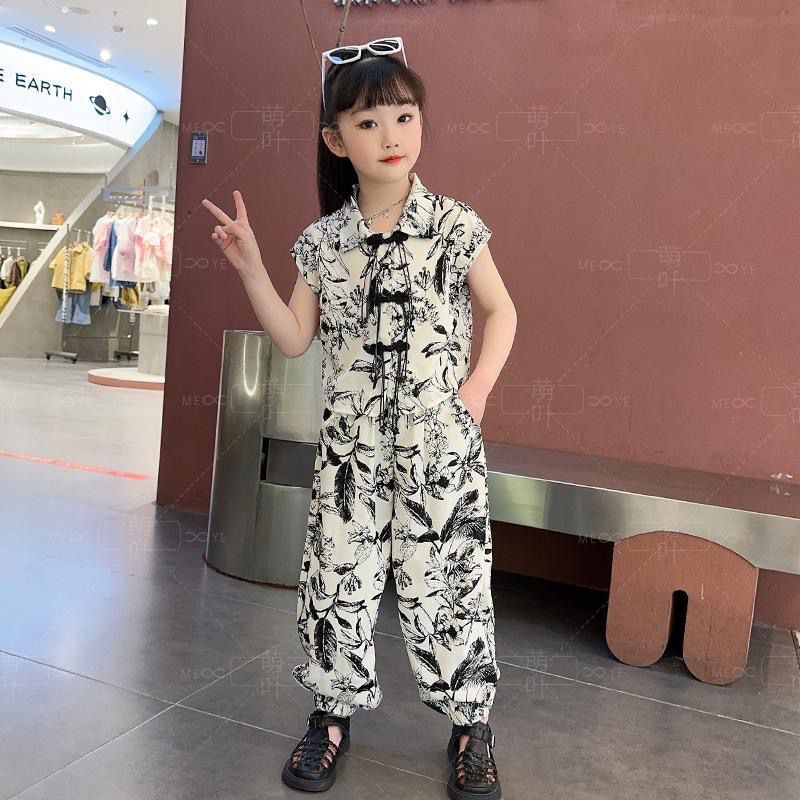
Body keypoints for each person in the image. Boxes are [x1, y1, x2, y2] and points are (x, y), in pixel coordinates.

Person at [202, 35, 516, 800]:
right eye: (369, 123)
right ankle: (331, 717)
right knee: (336, 585)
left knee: (450, 586)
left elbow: (502, 311)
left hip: (439, 449)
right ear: (336, 140)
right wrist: (251, 267)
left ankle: (471, 728)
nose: (391, 136)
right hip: (351, 455)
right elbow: (293, 337)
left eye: (404, 117)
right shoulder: (322, 244)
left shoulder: (454, 225)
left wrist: (476, 391)